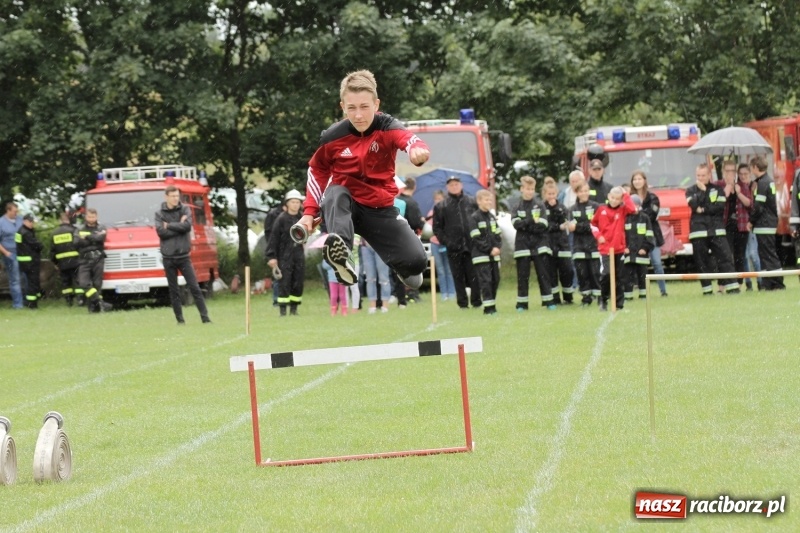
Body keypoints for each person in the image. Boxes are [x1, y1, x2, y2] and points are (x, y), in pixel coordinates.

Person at [296, 69, 429, 293]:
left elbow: (409, 140)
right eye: (352, 108)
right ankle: (343, 254)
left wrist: (418, 149)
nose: (358, 115)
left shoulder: (388, 127)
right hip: (345, 208)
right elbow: (317, 170)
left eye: (364, 107)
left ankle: (402, 260)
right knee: (336, 191)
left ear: (376, 104)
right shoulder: (332, 137)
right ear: (342, 107)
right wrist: (309, 213)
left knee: (417, 265)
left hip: (379, 210)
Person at [155, 185, 210, 323]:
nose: (175, 199)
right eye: (172, 196)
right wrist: (178, 225)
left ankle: (205, 318)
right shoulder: (159, 213)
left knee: (195, 287)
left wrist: (170, 225)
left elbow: (187, 227)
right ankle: (180, 320)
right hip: (168, 258)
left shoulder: (185, 209)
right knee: (174, 291)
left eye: (177, 196)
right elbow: (161, 232)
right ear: (166, 197)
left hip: (184, 257)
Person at [685, 163, 739, 295]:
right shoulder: (690, 190)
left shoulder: (718, 189)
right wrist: (703, 192)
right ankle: (707, 290)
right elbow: (693, 205)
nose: (701, 178)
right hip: (698, 231)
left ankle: (732, 287)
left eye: (703, 175)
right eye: (698, 175)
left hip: (716, 229)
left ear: (709, 175)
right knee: (701, 262)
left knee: (725, 258)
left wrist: (702, 208)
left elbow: (719, 207)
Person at [433, 175, 481, 309]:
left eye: (456, 184)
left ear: (461, 185)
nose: (454, 187)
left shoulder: (472, 202)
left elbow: (479, 220)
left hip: (471, 245)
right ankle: (462, 303)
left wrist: (477, 239)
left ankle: (476, 301)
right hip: (453, 247)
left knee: (474, 274)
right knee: (457, 276)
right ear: (447, 187)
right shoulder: (441, 206)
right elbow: (437, 228)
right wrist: (447, 242)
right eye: (451, 185)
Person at [511, 176, 555, 310]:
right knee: (522, 277)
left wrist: (526, 224)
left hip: (539, 244)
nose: (529, 192)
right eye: (527, 189)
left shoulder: (539, 204)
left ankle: (548, 302)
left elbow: (543, 224)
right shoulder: (516, 206)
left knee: (543, 274)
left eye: (532, 189)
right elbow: (515, 224)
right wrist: (531, 221)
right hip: (522, 245)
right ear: (521, 189)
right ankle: (522, 304)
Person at [591, 186, 636, 311]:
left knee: (620, 276)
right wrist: (598, 236)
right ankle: (603, 299)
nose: (614, 201)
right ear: (608, 196)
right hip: (605, 249)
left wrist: (625, 194)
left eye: (618, 199)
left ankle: (619, 303)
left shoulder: (622, 210)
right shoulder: (601, 209)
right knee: (606, 274)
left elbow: (633, 209)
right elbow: (593, 224)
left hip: (619, 248)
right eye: (613, 198)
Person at [265, 190, 306, 317]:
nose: (295, 205)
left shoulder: (302, 218)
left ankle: (294, 310)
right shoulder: (281, 219)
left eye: (297, 202)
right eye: (293, 202)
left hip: (298, 253)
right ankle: (283, 311)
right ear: (287, 204)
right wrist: (272, 257)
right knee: (284, 282)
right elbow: (274, 238)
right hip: (284, 255)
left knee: (297, 281)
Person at [715, 161, 753, 289]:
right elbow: (716, 203)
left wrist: (738, 192)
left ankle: (739, 284)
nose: (731, 173)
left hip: (740, 226)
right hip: (725, 225)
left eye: (733, 171)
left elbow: (749, 204)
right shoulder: (718, 185)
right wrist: (727, 188)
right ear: (723, 171)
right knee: (725, 255)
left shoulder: (742, 186)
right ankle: (722, 285)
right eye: (728, 170)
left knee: (740, 256)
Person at [749, 156, 785, 290]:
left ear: (755, 167)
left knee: (768, 255)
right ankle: (769, 283)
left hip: (764, 224)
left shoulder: (763, 183)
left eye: (751, 168)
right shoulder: (767, 181)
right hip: (769, 223)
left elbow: (759, 206)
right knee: (767, 254)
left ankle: (777, 283)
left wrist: (751, 221)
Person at [630, 170, 668, 296]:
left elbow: (652, 215)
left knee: (657, 263)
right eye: (635, 179)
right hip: (634, 238)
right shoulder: (629, 198)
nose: (637, 181)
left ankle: (663, 291)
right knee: (634, 265)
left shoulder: (653, 198)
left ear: (645, 180)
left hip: (652, 236)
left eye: (639, 179)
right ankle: (637, 291)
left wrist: (638, 211)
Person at [468, 190, 502, 315]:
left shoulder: (492, 217)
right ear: (479, 201)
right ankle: (488, 308)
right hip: (481, 256)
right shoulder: (474, 218)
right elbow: (476, 237)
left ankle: (492, 304)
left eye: (490, 200)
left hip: (494, 256)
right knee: (486, 281)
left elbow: (498, 234)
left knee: (495, 280)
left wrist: (498, 247)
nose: (489, 202)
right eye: (486, 200)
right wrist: (489, 249)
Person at [75, 208, 114, 313]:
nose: (91, 219)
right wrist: (93, 239)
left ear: (96, 217)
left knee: (97, 284)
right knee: (83, 283)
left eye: (93, 217)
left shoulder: (102, 227)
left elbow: (100, 239)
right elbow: (76, 243)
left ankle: (95, 308)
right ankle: (101, 303)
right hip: (84, 260)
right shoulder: (79, 228)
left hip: (98, 259)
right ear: (86, 217)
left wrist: (87, 236)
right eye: (89, 216)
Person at [569, 182, 601, 306]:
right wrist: (587, 225)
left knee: (595, 272)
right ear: (577, 193)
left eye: (586, 191)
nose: (584, 193)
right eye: (581, 191)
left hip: (594, 244)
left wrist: (579, 226)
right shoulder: (572, 209)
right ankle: (586, 298)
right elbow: (571, 227)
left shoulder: (596, 207)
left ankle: (599, 297)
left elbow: (597, 225)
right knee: (582, 273)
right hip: (579, 245)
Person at [543, 182, 574, 305]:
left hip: (562, 244)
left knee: (567, 270)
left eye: (553, 194)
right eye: (549, 194)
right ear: (545, 194)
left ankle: (568, 297)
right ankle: (555, 299)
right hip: (549, 244)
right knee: (551, 273)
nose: (551, 196)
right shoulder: (542, 208)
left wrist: (556, 209)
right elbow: (545, 225)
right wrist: (557, 227)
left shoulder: (562, 207)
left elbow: (565, 221)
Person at [622, 195, 655, 299]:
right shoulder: (625, 218)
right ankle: (628, 296)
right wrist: (624, 247)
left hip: (642, 254)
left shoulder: (645, 218)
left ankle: (643, 295)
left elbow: (649, 235)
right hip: (628, 254)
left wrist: (645, 248)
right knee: (628, 276)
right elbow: (621, 235)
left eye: (636, 204)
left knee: (642, 276)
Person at [426, 190, 456, 301]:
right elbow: (428, 228)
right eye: (436, 199)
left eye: (440, 199)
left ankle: (452, 292)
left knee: (449, 269)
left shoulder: (449, 212)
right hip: (435, 243)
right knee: (440, 270)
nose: (438, 201)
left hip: (446, 244)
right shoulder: (431, 213)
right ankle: (444, 293)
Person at [51, 211, 83, 305]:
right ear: (68, 220)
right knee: (78, 281)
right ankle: (80, 299)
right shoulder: (74, 230)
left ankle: (69, 301)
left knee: (66, 283)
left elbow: (53, 251)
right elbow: (79, 245)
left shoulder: (54, 233)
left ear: (60, 221)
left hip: (62, 263)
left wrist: (55, 263)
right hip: (75, 261)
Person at [740, 164, 761, 291]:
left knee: (753, 254)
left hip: (752, 225)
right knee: (744, 256)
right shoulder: (738, 187)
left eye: (745, 174)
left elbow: (753, 205)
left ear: (750, 174)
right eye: (741, 174)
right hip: (741, 225)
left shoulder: (755, 186)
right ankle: (748, 283)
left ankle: (760, 281)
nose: (743, 176)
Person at [16, 213, 43, 309]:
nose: (32, 224)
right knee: (33, 282)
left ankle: (30, 301)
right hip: (30, 261)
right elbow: (36, 245)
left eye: (32, 222)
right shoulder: (26, 233)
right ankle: (32, 304)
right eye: (30, 222)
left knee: (28, 282)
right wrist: (40, 245)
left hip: (23, 261)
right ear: (24, 221)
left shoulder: (19, 231)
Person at [0, 201, 23, 309]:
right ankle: (18, 305)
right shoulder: (1, 222)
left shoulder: (20, 220)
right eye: (14, 211)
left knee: (25, 277)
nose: (16, 213)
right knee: (15, 279)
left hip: (22, 253)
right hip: (10, 254)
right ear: (8, 210)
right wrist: (6, 253)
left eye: (17, 211)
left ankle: (28, 301)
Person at [263, 202, 286, 307]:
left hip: (288, 249)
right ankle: (276, 299)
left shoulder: (294, 215)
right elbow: (268, 234)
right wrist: (271, 252)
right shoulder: (273, 214)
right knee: (278, 275)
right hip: (276, 249)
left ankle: (285, 299)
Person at [361, 238, 391, 313]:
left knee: (384, 278)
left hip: (381, 246)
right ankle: (372, 307)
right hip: (366, 246)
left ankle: (385, 306)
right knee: (370, 279)